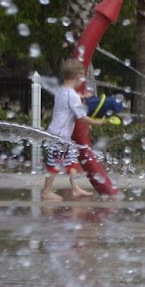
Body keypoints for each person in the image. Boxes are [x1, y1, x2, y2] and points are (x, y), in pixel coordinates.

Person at [43, 58, 97, 201]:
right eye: (82, 77)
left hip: (59, 135)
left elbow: (70, 100)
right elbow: (82, 117)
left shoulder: (62, 91)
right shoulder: (72, 95)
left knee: (71, 161)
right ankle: (46, 192)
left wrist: (81, 97)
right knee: (54, 164)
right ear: (78, 76)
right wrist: (99, 122)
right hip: (59, 136)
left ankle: (76, 189)